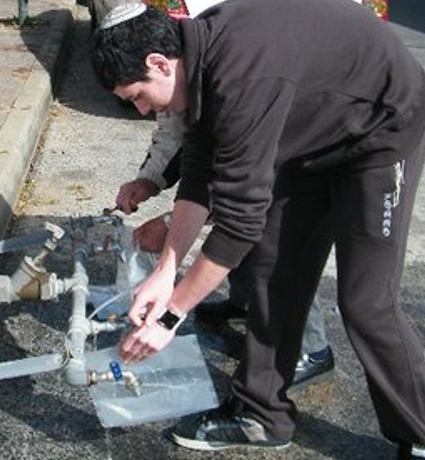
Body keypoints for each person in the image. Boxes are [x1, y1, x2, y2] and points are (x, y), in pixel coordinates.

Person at [91, 0, 425, 460]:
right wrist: (166, 272)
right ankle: (260, 414)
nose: (142, 108)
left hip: (381, 130)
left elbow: (239, 219)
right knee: (271, 269)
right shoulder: (197, 59)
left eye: (138, 95)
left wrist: (171, 315)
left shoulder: (244, 73)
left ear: (158, 61)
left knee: (366, 302)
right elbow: (199, 169)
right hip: (311, 136)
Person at [115, 114, 335, 386]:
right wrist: (148, 180)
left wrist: (174, 225)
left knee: (279, 243)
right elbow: (175, 130)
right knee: (248, 240)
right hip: (253, 163)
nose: (141, 107)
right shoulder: (180, 82)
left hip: (295, 163)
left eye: (139, 96)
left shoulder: (230, 88)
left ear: (160, 67)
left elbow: (241, 187)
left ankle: (311, 349)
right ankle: (244, 303)